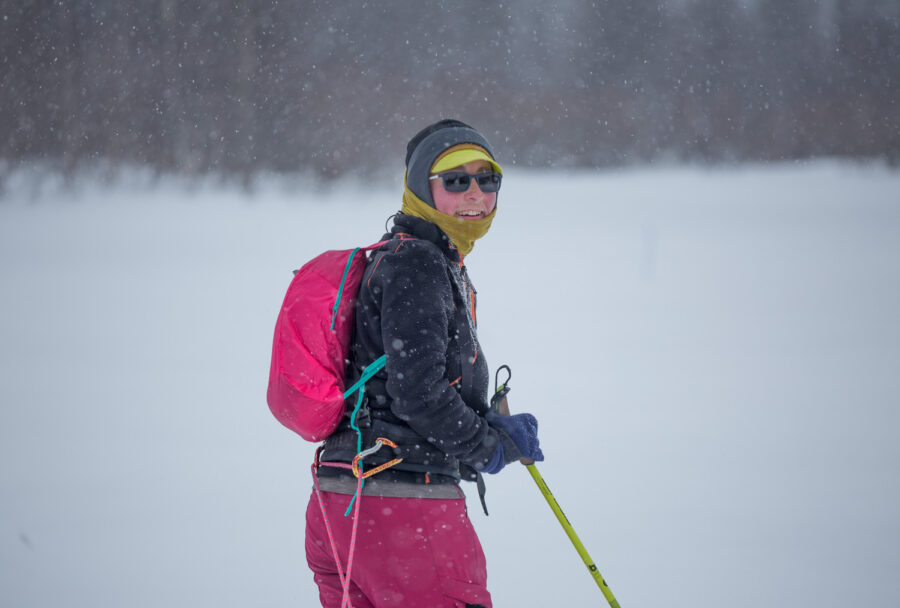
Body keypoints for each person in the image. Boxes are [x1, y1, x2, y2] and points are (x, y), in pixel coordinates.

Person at [305, 119, 544, 608]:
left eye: (488, 178)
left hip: (343, 506)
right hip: (404, 510)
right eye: (456, 180)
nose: (475, 192)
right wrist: (488, 447)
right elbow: (418, 394)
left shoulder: (413, 258)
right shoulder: (420, 264)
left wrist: (490, 428)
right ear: (421, 188)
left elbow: (407, 381)